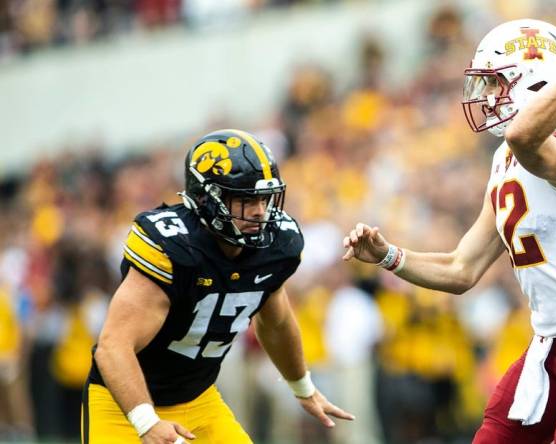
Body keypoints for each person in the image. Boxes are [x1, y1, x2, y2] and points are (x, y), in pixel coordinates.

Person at [343, 18, 556, 444]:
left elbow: (526, 135)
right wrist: (387, 256)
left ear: (534, 81)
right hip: (551, 345)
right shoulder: (507, 156)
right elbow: (460, 269)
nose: (487, 98)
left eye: (496, 84)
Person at [82, 129, 353, 444]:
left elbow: (276, 323)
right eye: (245, 199)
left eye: (264, 198)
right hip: (124, 406)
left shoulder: (272, 246)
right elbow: (113, 347)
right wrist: (147, 422)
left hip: (198, 400)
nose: (259, 211)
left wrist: (303, 388)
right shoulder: (174, 247)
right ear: (206, 199)